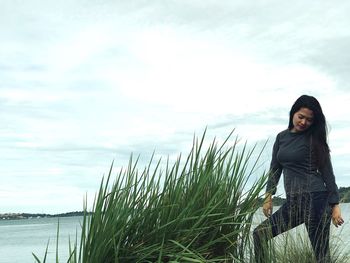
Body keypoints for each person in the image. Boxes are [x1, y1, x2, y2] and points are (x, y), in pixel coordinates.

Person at [253, 95, 344, 263]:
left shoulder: (314, 139)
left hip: (316, 200)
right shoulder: (281, 138)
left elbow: (327, 173)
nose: (303, 122)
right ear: (293, 113)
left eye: (309, 120)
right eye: (301, 117)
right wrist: (268, 197)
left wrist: (335, 205)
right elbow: (275, 169)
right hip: (293, 203)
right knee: (260, 234)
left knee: (322, 256)